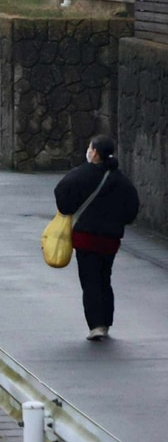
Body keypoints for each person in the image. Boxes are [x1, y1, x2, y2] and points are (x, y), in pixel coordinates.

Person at [54, 134, 140, 341]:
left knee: (90, 280)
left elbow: (62, 197)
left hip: (86, 238)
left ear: (94, 152)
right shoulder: (121, 180)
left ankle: (96, 325)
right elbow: (132, 210)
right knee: (104, 278)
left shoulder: (80, 175)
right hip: (110, 240)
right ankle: (106, 321)